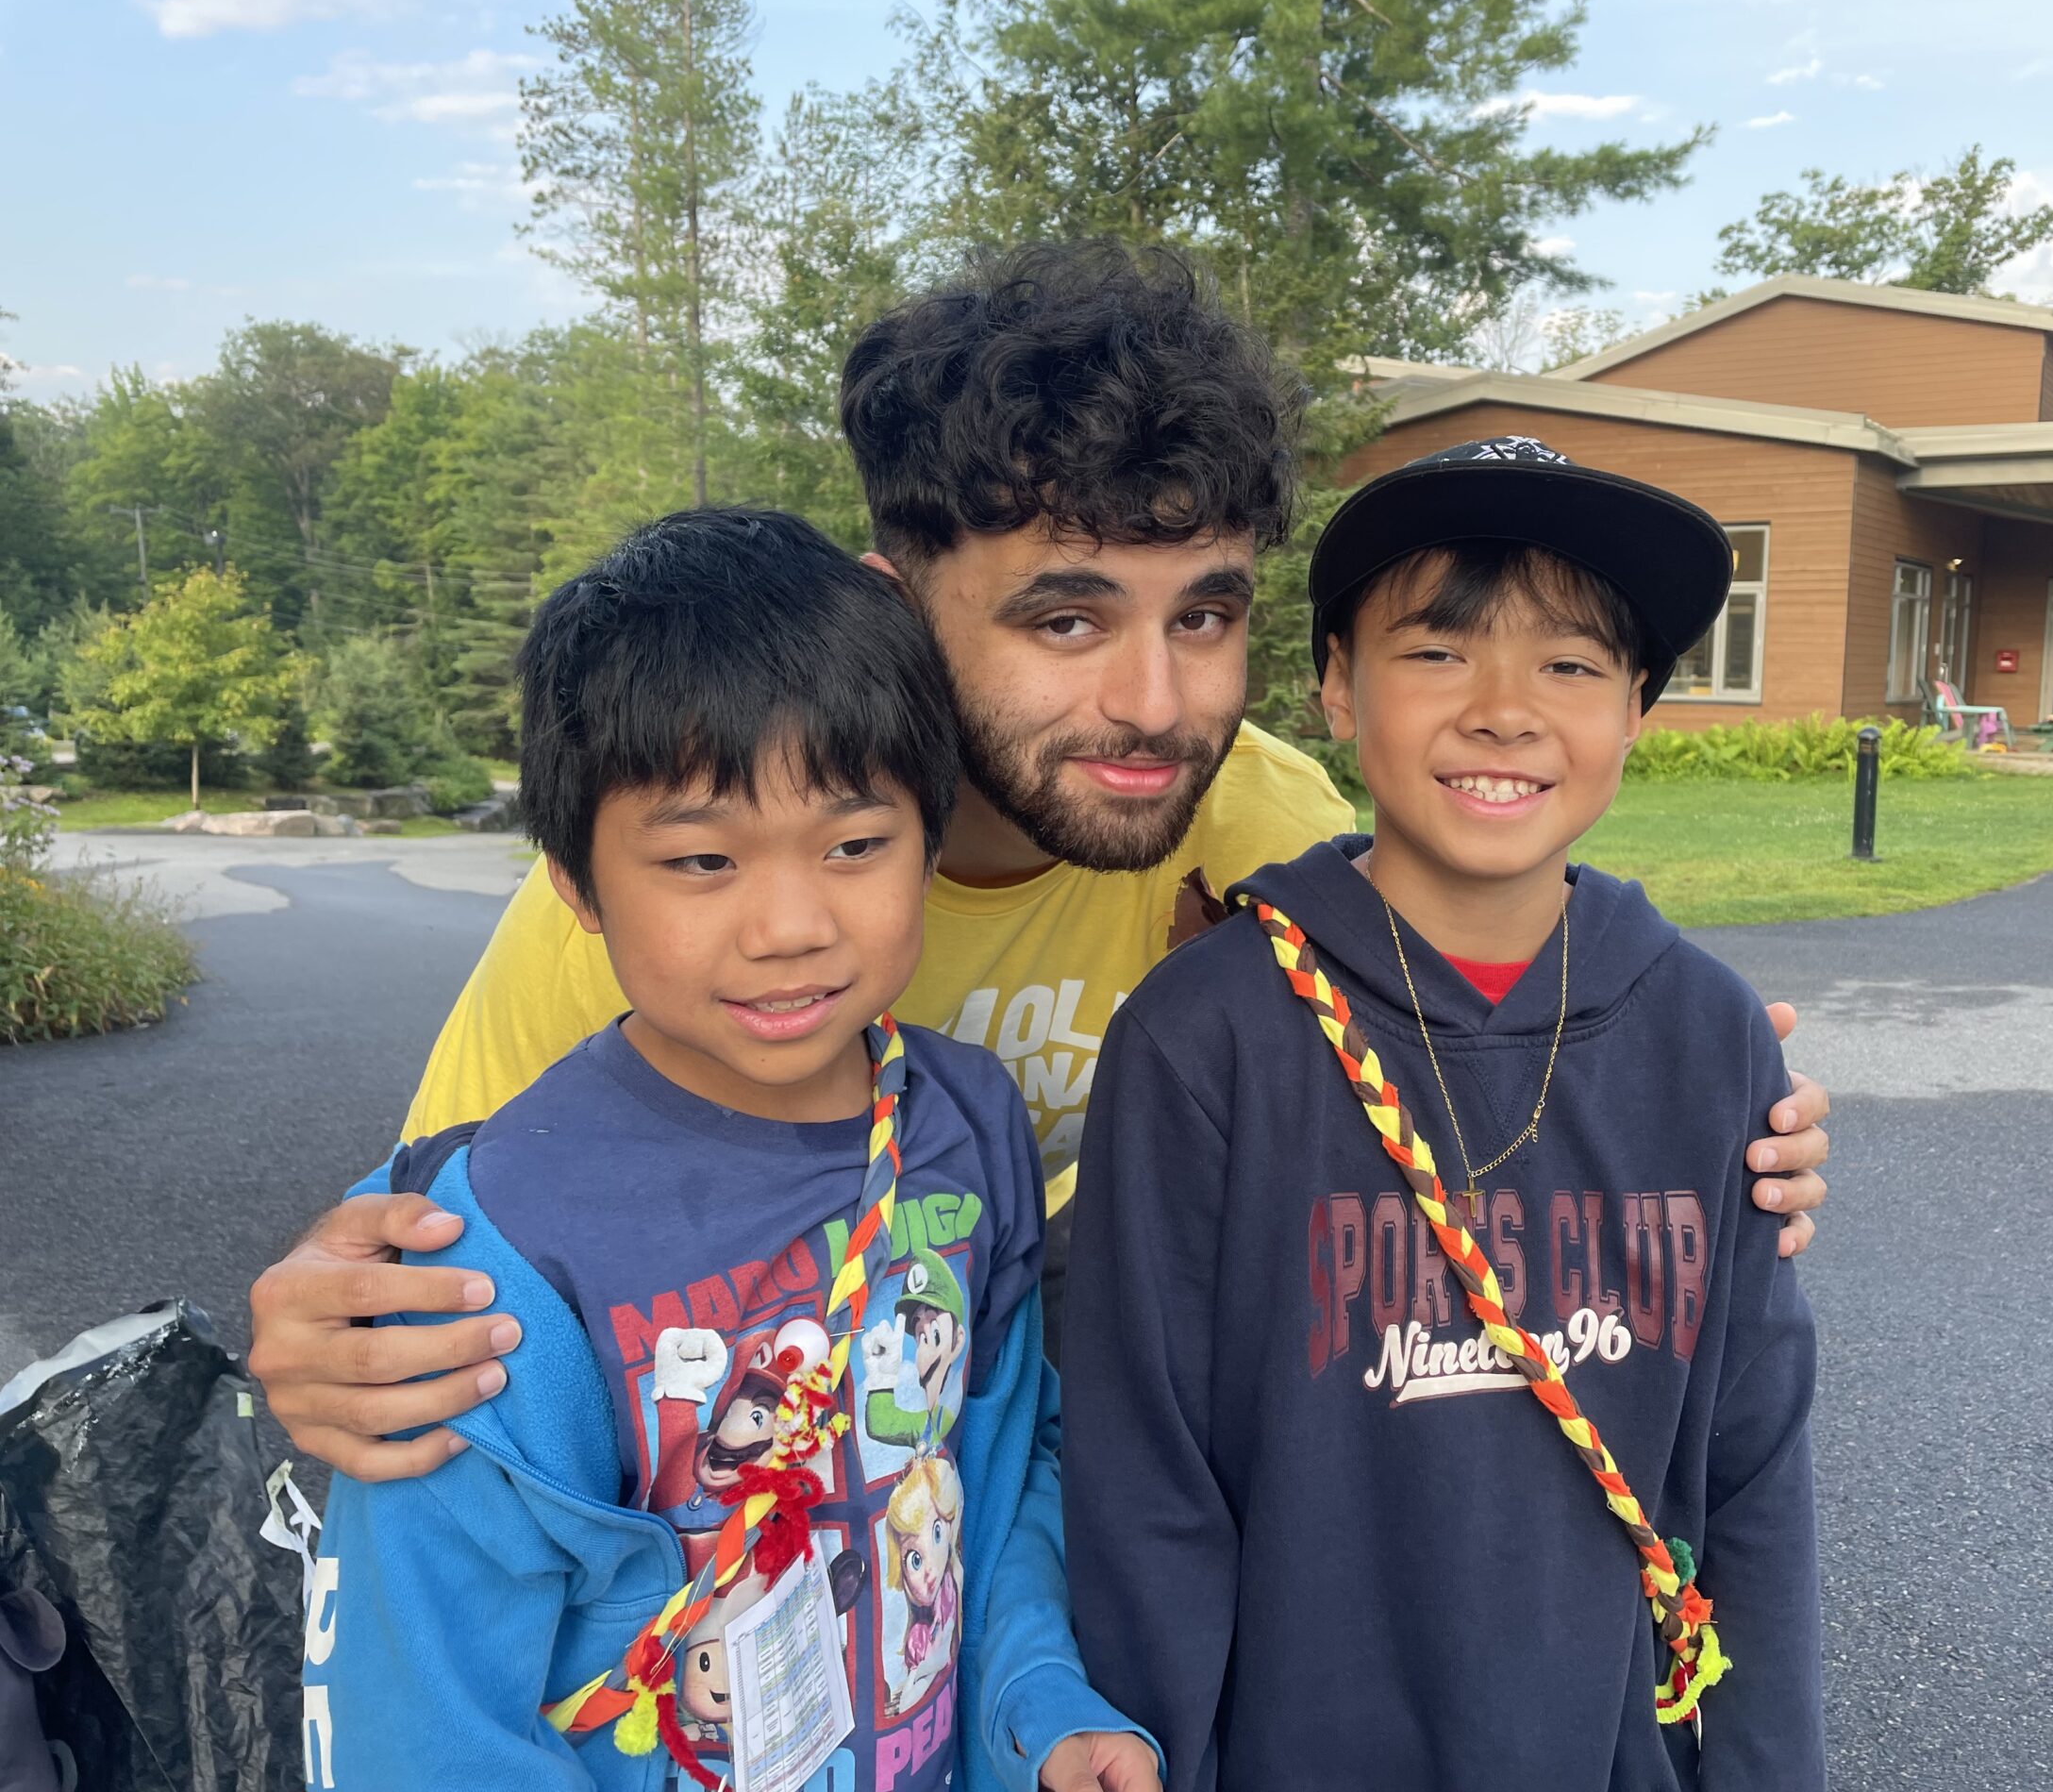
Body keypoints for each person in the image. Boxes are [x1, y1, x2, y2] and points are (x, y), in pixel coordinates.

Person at [243, 243, 1835, 1486]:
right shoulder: (697, 892)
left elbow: (1521, 1031)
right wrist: (340, 1322)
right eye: (1065, 618)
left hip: (1120, 1512)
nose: (1156, 702)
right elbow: (432, 1237)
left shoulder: (1261, 828)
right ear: (893, 602)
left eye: (1202, 614)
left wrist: (1715, 1121)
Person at [302, 509, 1158, 1792]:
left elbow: (994, 1469)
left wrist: (1040, 1704)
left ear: (932, 838)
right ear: (577, 887)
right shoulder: (492, 1250)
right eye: (701, 859)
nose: (792, 925)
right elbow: (422, 1719)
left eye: (856, 844)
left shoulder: (969, 1128)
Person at [1061, 439, 1825, 1790]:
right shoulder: (1204, 1038)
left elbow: (1752, 1461)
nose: (1505, 710)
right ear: (1337, 687)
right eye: (1437, 653)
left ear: (1638, 706)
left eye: (1574, 665)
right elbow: (1146, 1485)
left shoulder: (1710, 1037)